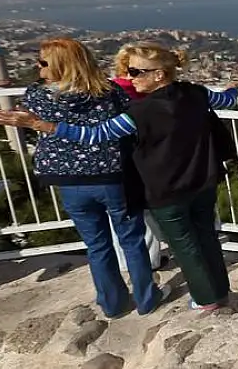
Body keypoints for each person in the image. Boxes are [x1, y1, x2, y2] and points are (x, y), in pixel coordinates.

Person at [0, 42, 238, 313]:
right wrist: (236, 87)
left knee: (185, 246)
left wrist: (38, 125)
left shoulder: (140, 113)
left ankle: (206, 300)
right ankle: (214, 292)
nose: (128, 78)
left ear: (158, 74)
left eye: (135, 71)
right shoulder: (196, 92)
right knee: (206, 237)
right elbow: (226, 100)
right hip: (203, 180)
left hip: (165, 189)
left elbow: (95, 135)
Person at [19, 38, 164, 318]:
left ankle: (111, 304)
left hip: (69, 181)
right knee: (131, 240)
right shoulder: (107, 92)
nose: (37, 67)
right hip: (112, 175)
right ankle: (147, 299)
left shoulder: (38, 96)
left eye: (42, 62)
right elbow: (130, 118)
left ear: (60, 65)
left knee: (97, 245)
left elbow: (29, 116)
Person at [111, 44, 165, 270]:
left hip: (115, 160)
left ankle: (127, 263)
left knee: (121, 215)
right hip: (143, 158)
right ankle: (150, 260)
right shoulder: (141, 95)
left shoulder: (110, 90)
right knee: (145, 212)